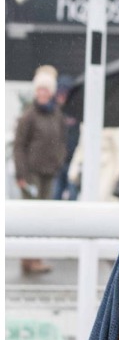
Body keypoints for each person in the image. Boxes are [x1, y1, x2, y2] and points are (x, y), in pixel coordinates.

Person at [13, 65, 67, 274]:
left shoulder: (56, 114)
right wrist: (21, 174)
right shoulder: (28, 116)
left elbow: (61, 140)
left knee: (44, 218)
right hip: (31, 174)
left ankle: (36, 257)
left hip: (49, 173)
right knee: (31, 218)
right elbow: (19, 146)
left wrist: (59, 160)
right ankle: (29, 258)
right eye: (39, 89)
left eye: (45, 89)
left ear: (50, 92)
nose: (42, 93)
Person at [52, 74, 81, 200]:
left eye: (64, 93)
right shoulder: (53, 111)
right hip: (57, 163)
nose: (61, 96)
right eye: (59, 93)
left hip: (73, 161)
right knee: (55, 195)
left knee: (73, 196)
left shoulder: (77, 111)